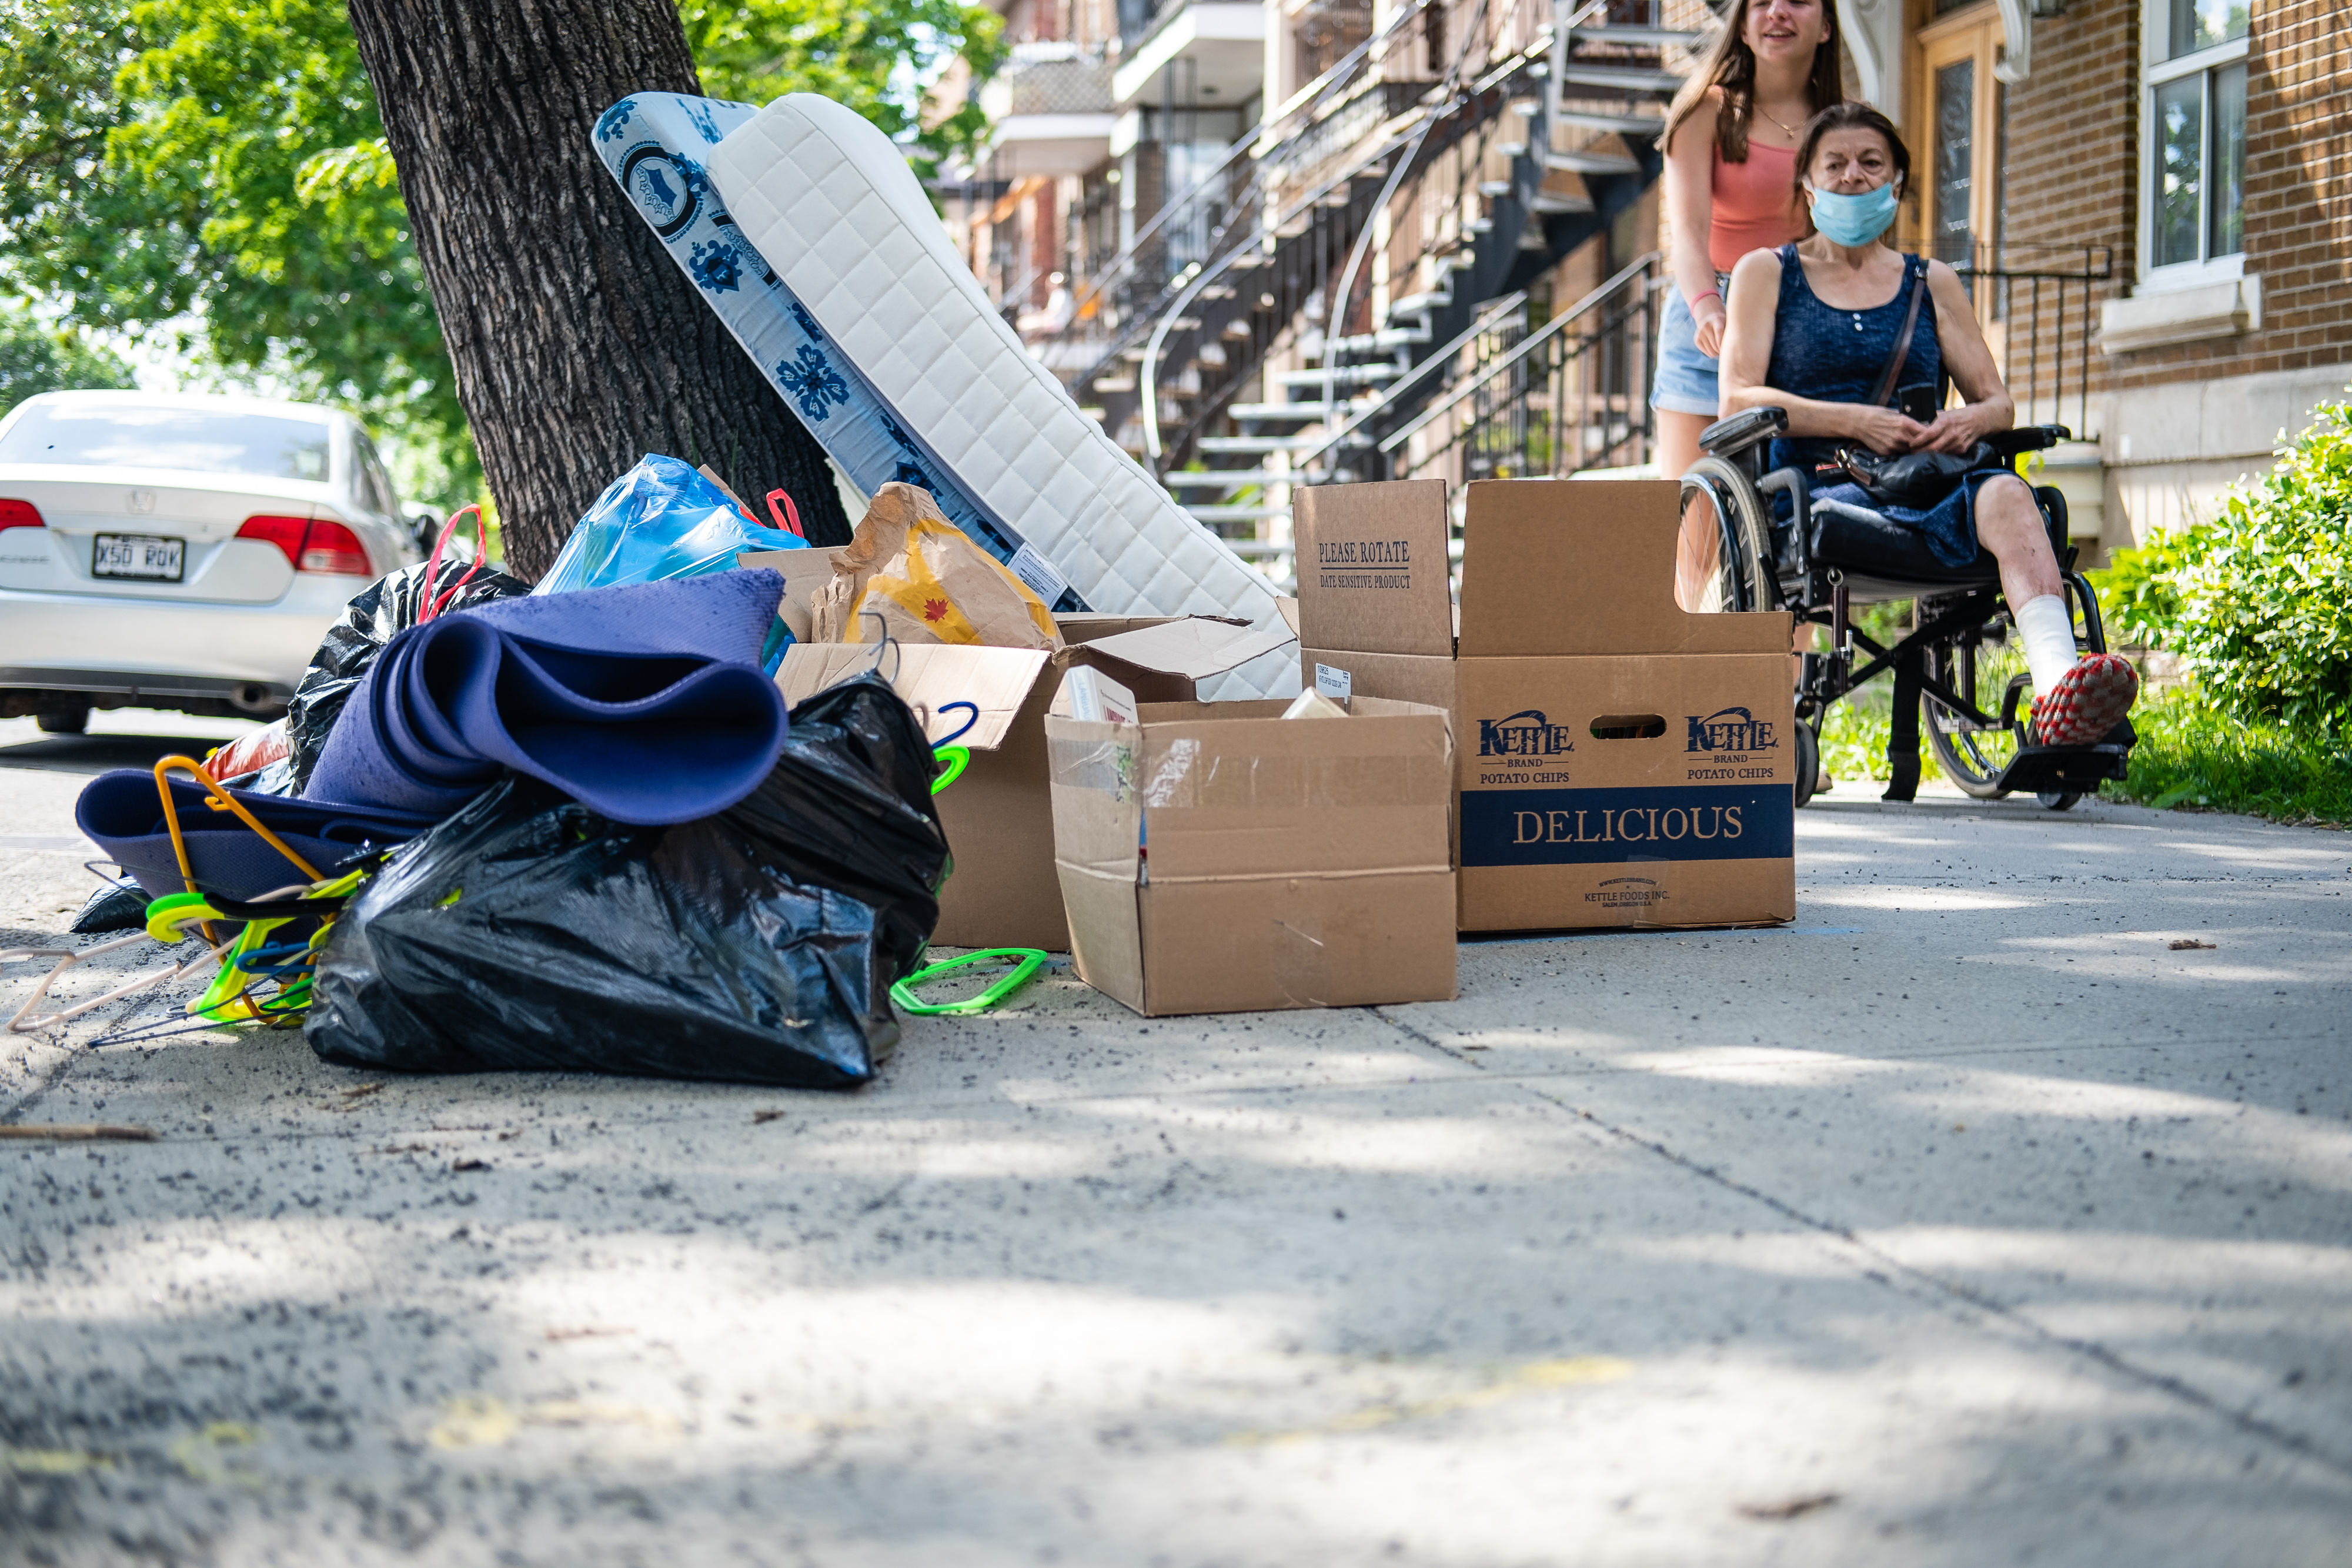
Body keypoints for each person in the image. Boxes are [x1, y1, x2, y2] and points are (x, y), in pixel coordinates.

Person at [1716, 103, 2139, 747]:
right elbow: (1737, 398)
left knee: (2006, 493)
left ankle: (2057, 687)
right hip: (1818, 491)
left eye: (1871, 163)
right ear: (1807, 184)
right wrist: (1856, 421)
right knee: (1972, 493)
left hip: (1923, 481)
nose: (1853, 176)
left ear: (1897, 184)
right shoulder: (1767, 274)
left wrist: (1964, 422)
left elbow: (1999, 404)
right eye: (1835, 164)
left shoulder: (1931, 282)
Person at [1654, 0, 1842, 609]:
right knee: (1690, 521)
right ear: (1741, 20)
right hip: (1706, 315)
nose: (1777, 13)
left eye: (1798, 0)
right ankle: (1677, 677)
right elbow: (1684, 231)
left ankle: (1788, 696)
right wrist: (1708, 305)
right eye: (1760, 1)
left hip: (1797, 318)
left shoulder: (1841, 128)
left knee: (1797, 524)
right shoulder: (1705, 113)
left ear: (1827, 23)